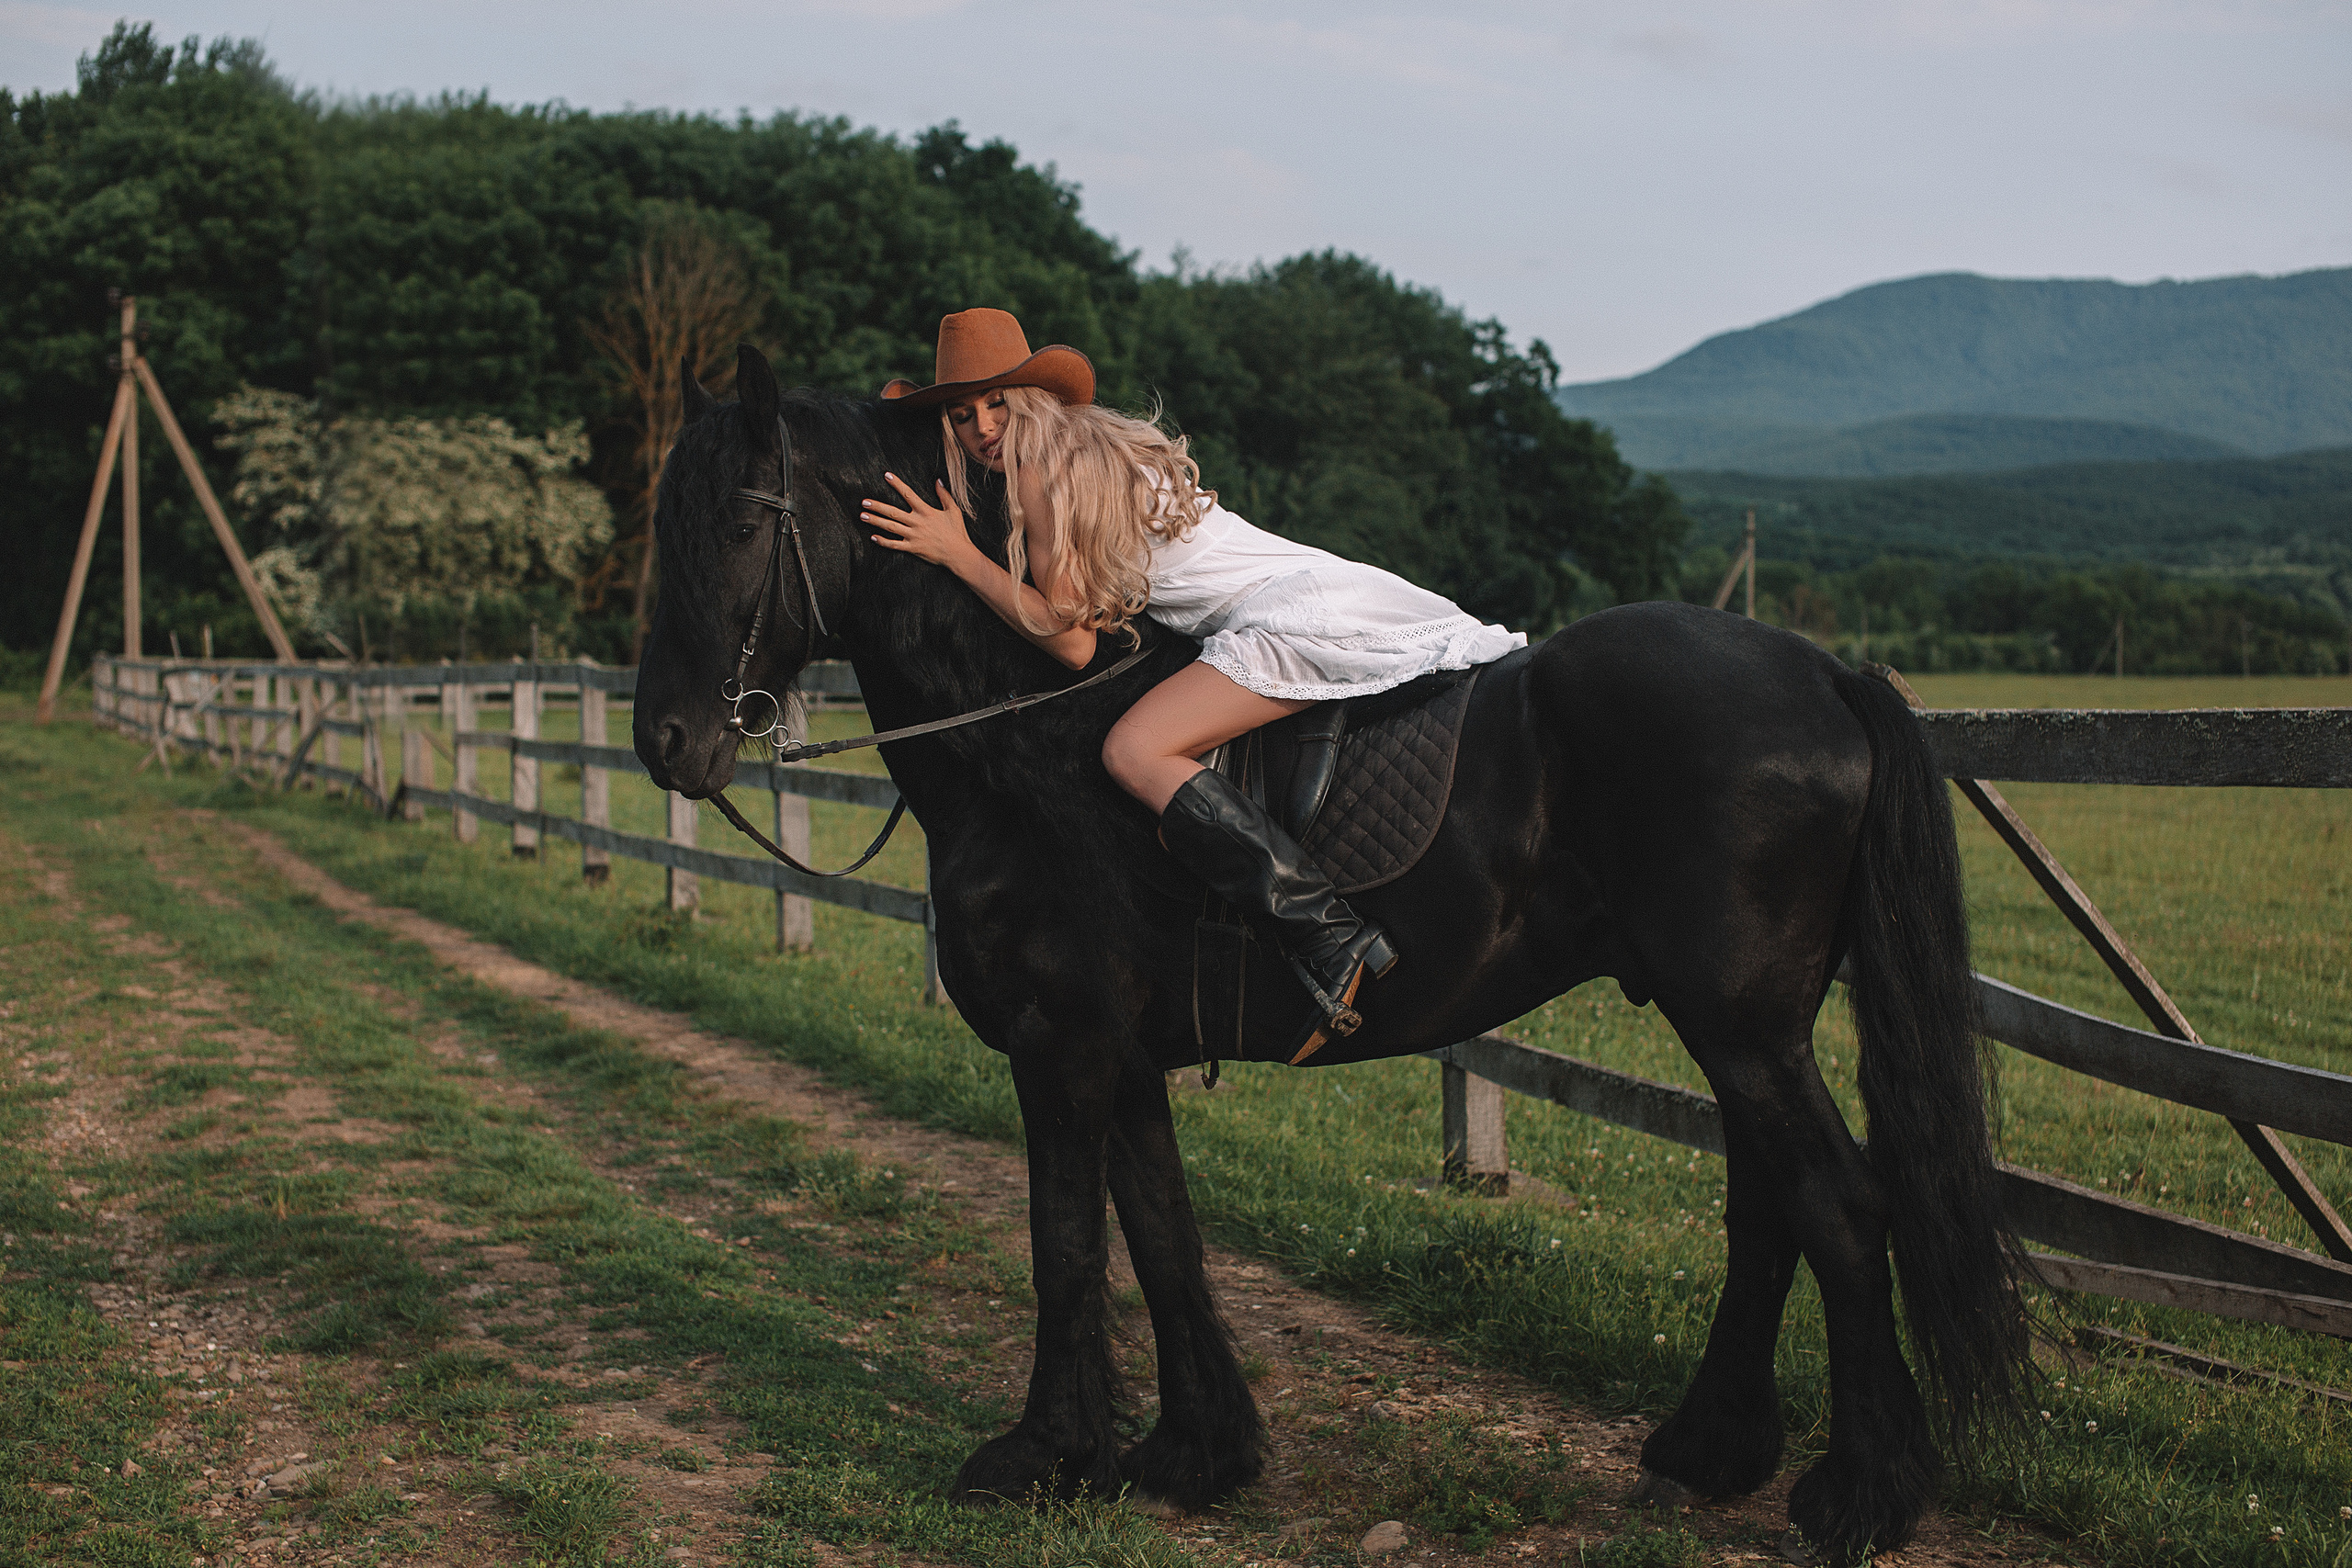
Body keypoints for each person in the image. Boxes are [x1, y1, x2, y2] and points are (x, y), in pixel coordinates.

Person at [867, 308, 1524, 1062]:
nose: (983, 426)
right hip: (1316, 584)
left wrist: (956, 553)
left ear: (1033, 401)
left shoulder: (1043, 473)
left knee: (1136, 751)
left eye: (997, 403)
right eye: (962, 412)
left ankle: (1329, 935)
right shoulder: (1090, 446)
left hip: (1286, 617)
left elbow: (1071, 637)